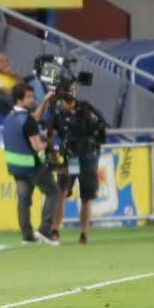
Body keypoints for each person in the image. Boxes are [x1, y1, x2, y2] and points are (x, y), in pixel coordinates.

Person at [49, 86, 107, 245]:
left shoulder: (86, 107)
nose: (70, 94)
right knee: (62, 191)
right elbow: (50, 136)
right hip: (71, 158)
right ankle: (55, 230)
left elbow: (102, 127)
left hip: (88, 157)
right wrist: (53, 158)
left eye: (72, 90)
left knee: (86, 196)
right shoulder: (58, 113)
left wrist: (93, 120)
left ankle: (83, 234)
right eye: (66, 91)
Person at [3, 84, 59, 245]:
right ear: (20, 100)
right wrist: (50, 145)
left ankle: (27, 236)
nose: (33, 99)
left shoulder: (11, 117)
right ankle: (44, 231)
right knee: (53, 191)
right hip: (33, 167)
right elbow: (36, 146)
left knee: (23, 200)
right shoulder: (27, 121)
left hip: (16, 168)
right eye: (29, 96)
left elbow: (34, 117)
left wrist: (46, 100)